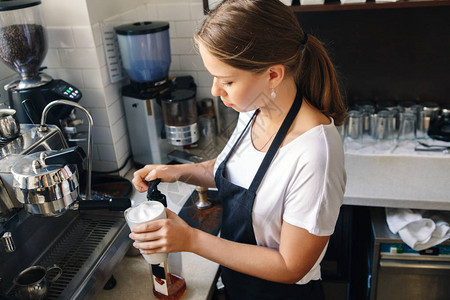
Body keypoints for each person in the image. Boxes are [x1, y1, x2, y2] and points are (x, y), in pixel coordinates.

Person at [131, 0, 347, 299]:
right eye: (214, 77)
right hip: (238, 283)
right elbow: (231, 169)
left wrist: (190, 239)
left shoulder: (314, 154)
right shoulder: (254, 109)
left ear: (273, 75)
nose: (215, 90)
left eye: (228, 80)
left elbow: (291, 266)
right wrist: (177, 172)